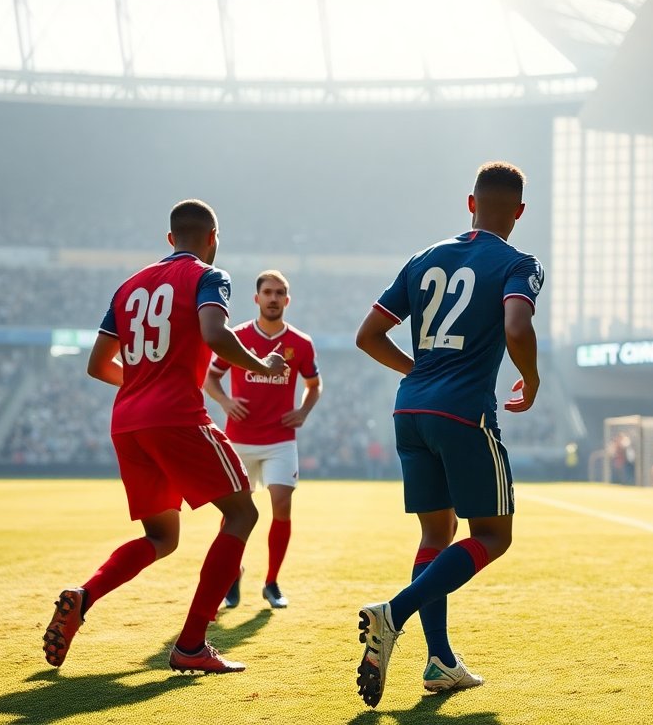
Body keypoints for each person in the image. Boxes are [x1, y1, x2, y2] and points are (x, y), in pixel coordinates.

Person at [42, 200, 287, 674]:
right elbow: (215, 334)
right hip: (175, 415)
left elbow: (97, 366)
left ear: (169, 238)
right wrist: (261, 365)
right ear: (213, 238)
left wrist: (140, 385)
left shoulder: (128, 285)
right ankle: (191, 644)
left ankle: (84, 595)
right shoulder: (209, 277)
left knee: (160, 536)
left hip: (127, 422)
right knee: (242, 514)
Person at [353, 161, 543, 707]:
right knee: (494, 534)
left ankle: (439, 661)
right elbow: (516, 326)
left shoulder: (423, 258)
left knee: (436, 535)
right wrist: (530, 377)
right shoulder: (518, 263)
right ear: (520, 212)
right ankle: (394, 614)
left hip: (409, 412)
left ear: (470, 204)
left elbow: (368, 335)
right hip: (464, 413)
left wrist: (416, 373)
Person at [204, 270, 321, 610]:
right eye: (268, 292)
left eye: (279, 292)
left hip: (280, 439)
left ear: (287, 299)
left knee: (281, 504)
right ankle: (231, 574)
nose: (273, 298)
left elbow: (315, 384)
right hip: (238, 439)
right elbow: (210, 379)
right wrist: (225, 402)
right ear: (256, 298)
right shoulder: (236, 336)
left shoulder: (300, 343)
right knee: (233, 513)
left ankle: (271, 582)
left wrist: (303, 410)